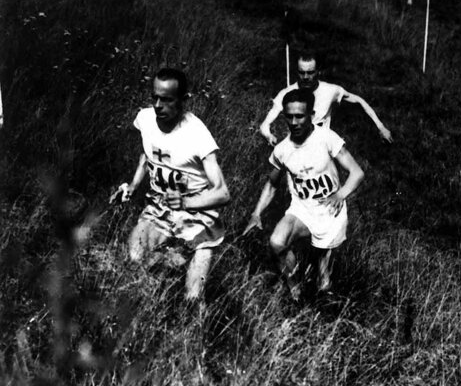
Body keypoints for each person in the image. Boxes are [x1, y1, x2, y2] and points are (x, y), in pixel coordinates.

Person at [111, 68, 231, 301]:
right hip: (160, 207)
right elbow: (147, 155)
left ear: (183, 101)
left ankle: (185, 265)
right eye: (154, 97)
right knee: (135, 257)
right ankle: (172, 262)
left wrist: (186, 202)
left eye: (166, 100)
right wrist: (132, 187)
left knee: (193, 297)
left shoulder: (197, 134)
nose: (158, 105)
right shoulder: (145, 119)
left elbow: (223, 193)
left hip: (199, 214)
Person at [244, 88, 365, 298]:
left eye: (300, 116)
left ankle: (322, 301)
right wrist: (256, 213)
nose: (294, 122)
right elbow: (272, 184)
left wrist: (340, 194)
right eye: (289, 117)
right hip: (302, 209)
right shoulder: (282, 149)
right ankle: (295, 290)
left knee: (323, 281)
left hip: (330, 211)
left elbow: (357, 172)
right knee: (276, 242)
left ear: (311, 115)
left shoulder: (326, 138)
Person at [259, 53, 392, 146]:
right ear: (297, 71)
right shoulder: (286, 94)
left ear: (318, 72)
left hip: (323, 148)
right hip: (296, 148)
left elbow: (358, 100)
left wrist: (381, 127)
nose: (305, 77)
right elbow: (265, 124)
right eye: (301, 72)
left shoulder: (330, 90)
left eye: (310, 72)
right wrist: (269, 136)